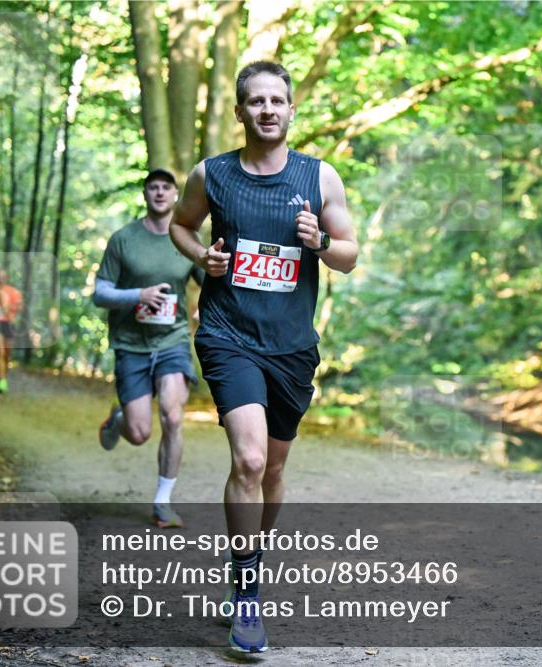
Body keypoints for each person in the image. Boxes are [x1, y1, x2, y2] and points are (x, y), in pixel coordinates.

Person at [170, 61, 358, 653]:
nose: (268, 110)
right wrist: (203, 259)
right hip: (228, 336)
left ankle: (249, 558)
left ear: (292, 109)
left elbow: (350, 254)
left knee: (273, 469)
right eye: (256, 101)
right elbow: (180, 226)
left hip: (292, 348)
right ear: (240, 111)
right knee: (248, 460)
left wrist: (320, 243)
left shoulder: (319, 176)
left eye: (278, 100)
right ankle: (247, 595)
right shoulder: (212, 173)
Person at [94, 168, 205, 529]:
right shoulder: (123, 239)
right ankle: (121, 417)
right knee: (140, 433)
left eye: (166, 188)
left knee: (173, 416)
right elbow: (100, 292)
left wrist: (207, 305)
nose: (159, 193)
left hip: (172, 340)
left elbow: (214, 280)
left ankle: (162, 503)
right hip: (131, 344)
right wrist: (137, 296)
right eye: (153, 187)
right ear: (145, 194)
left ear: (175, 195)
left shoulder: (187, 238)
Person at [0, 269, 23, 393]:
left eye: (4, 276)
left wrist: (9, 307)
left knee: (6, 353)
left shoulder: (14, 292)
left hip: (9, 323)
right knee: (0, 351)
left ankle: (3, 376)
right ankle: (2, 380)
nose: (2, 278)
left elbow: (20, 307)